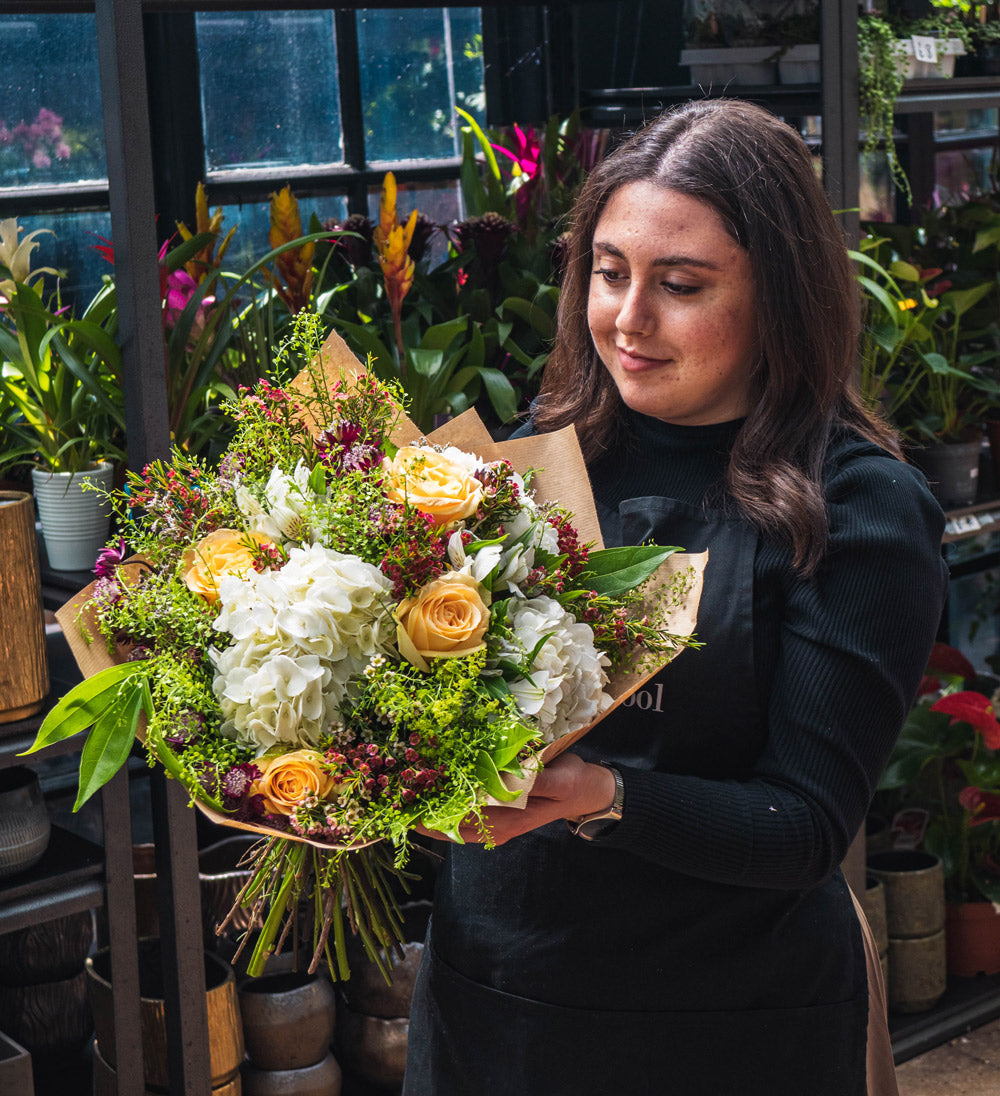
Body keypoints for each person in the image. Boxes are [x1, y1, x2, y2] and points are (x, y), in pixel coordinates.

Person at [403, 98, 949, 1096]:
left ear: (778, 298)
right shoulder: (538, 452)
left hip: (730, 1022)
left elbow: (805, 824)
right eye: (609, 274)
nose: (627, 318)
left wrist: (605, 797)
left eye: (680, 285)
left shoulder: (860, 509)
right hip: (501, 992)